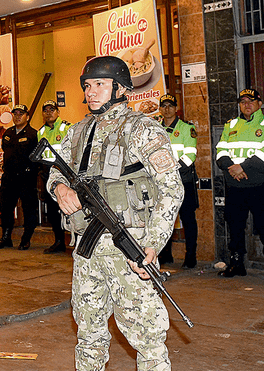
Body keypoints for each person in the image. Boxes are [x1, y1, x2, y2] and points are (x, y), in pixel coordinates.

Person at [48, 56, 184, 370]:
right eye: (86, 85)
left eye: (99, 84)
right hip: (87, 250)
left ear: (119, 87)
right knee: (89, 332)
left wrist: (152, 244)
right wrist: (60, 189)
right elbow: (56, 170)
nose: (90, 91)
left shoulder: (141, 129)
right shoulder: (78, 131)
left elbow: (172, 189)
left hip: (130, 248)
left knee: (146, 338)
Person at [216, 88, 264, 277]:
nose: (246, 105)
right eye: (243, 101)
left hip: (259, 184)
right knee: (235, 226)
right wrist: (231, 167)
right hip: (235, 185)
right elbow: (220, 150)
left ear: (259, 103)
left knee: (263, 225)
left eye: (250, 101)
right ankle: (236, 263)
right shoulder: (231, 124)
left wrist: (242, 167)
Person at [157, 94, 199, 268]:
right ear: (160, 109)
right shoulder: (155, 129)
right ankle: (165, 254)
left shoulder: (186, 128)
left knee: (188, 219)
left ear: (176, 108)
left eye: (170, 106)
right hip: (160, 183)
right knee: (163, 219)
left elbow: (190, 155)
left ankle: (191, 256)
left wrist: (171, 172)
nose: (167, 109)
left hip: (183, 181)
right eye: (164, 106)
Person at [0, 104, 39, 250]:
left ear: (27, 116)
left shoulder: (33, 134)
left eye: (21, 114)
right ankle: (6, 237)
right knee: (5, 208)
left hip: (26, 177)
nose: (18, 116)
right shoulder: (8, 133)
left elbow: (37, 157)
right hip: (9, 177)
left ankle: (26, 238)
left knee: (29, 209)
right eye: (15, 114)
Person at [37, 100, 71, 254]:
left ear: (58, 112)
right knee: (52, 211)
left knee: (69, 209)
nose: (48, 112)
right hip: (47, 174)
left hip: (65, 175)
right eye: (45, 110)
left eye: (52, 109)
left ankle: (76, 242)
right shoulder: (40, 132)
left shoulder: (67, 128)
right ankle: (59, 241)